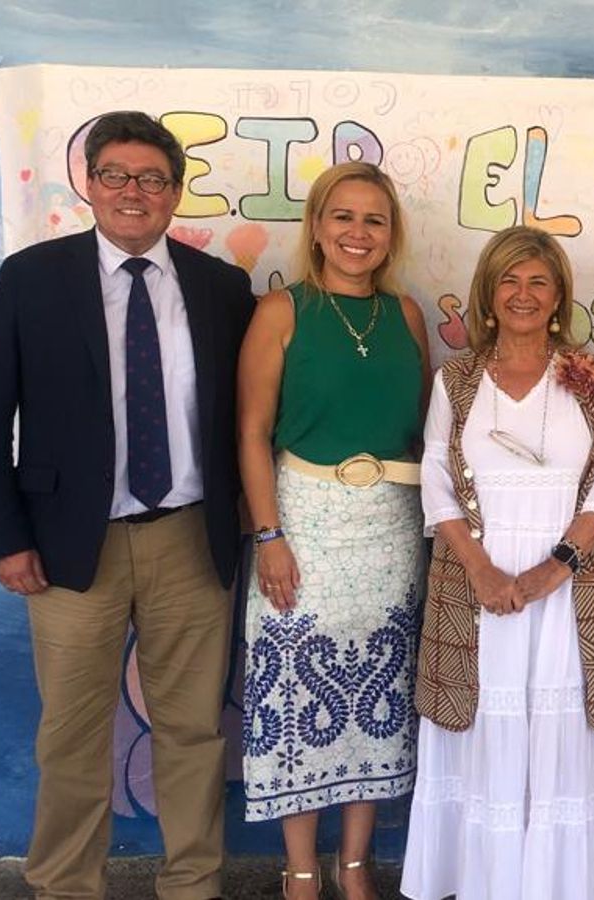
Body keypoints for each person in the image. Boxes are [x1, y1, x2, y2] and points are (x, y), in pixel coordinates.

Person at [0, 110, 254, 900]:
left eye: (152, 179)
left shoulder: (221, 288)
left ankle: (193, 883)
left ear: (175, 194)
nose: (133, 192)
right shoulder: (32, 278)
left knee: (193, 731)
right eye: (115, 175)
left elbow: (252, 414)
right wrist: (3, 538)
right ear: (87, 184)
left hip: (192, 540)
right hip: (64, 546)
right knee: (73, 735)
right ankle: (63, 886)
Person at [400, 226, 594, 900]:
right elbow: (436, 481)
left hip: (564, 590)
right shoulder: (458, 379)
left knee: (556, 735)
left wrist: (552, 569)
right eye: (510, 280)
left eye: (538, 281)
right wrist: (481, 570)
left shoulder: (592, 381)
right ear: (488, 292)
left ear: (559, 294)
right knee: (479, 728)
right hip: (475, 585)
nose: (524, 294)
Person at [236, 161, 430, 899]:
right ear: (317, 227)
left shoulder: (406, 316)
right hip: (303, 525)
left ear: (390, 235)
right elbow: (251, 433)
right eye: (342, 217)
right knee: (295, 697)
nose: (357, 232)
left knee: (374, 693)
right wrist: (269, 535)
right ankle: (301, 868)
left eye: (373, 220)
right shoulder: (282, 312)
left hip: (390, 528)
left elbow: (421, 435)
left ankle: (354, 864)